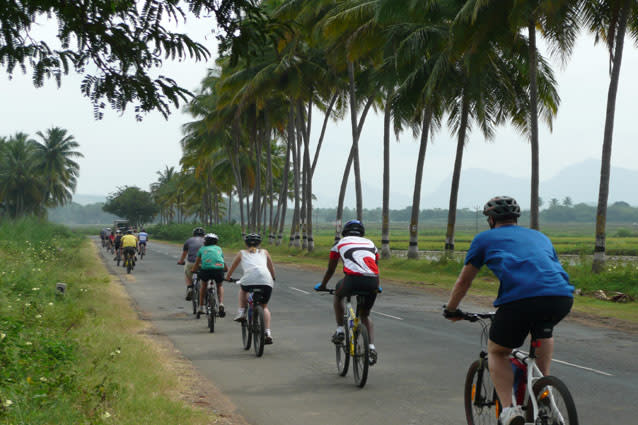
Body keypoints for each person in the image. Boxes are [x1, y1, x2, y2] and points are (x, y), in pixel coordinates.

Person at [443, 196, 574, 425]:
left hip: (521, 300)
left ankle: (509, 410)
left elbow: (464, 282)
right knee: (544, 331)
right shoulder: (539, 236)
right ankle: (543, 386)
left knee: (497, 351)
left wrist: (452, 309)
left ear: (491, 220)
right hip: (561, 296)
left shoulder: (484, 239)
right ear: (516, 218)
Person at [314, 219, 380, 365]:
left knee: (338, 295)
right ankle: (371, 347)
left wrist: (323, 285)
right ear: (362, 233)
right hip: (372, 282)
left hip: (352, 280)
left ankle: (339, 330)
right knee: (365, 314)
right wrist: (377, 286)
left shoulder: (338, 244)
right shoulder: (371, 244)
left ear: (345, 232)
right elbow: (375, 267)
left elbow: (331, 269)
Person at [226, 233, 276, 344]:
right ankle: (267, 332)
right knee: (264, 307)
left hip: (249, 280)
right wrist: (273, 277)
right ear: (260, 243)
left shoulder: (241, 253)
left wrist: (228, 277)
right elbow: (271, 267)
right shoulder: (265, 252)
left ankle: (241, 311)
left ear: (245, 243)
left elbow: (232, 267)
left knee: (243, 290)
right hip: (266, 280)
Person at [191, 233, 227, 317]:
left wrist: (193, 270)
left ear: (205, 241)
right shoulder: (219, 248)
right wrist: (225, 269)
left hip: (206, 270)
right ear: (216, 242)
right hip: (219, 269)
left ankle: (201, 307)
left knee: (203, 286)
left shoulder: (202, 249)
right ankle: (221, 303)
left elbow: (197, 263)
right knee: (219, 286)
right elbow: (221, 260)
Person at [177, 227, 205, 301]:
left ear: (193, 234)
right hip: (203, 263)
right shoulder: (206, 241)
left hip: (191, 262)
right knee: (205, 276)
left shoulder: (188, 240)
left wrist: (181, 261)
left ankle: (189, 287)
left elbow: (184, 253)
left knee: (187, 273)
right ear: (203, 234)